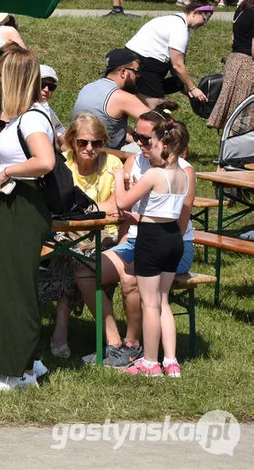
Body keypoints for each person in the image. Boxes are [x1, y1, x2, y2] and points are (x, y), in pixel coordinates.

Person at [73, 107, 195, 368]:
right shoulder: (136, 160)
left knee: (132, 277)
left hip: (170, 243)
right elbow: (123, 210)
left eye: (144, 139)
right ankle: (114, 341)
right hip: (140, 240)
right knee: (85, 271)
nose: (138, 144)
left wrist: (133, 213)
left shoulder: (182, 170)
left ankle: (135, 347)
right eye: (134, 137)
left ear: (162, 139)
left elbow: (179, 223)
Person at [0, 46, 53, 392]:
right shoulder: (25, 117)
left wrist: (7, 172)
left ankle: (17, 372)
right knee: (9, 284)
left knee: (15, 288)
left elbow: (45, 161)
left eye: (0, 77)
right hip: (10, 204)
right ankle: (29, 363)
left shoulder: (32, 118)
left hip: (22, 205)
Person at [111, 118, 189, 378]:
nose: (147, 148)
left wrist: (117, 177)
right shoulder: (183, 175)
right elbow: (163, 209)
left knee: (151, 303)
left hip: (152, 239)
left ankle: (149, 362)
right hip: (172, 239)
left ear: (164, 144)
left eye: (152, 143)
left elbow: (122, 202)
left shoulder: (155, 174)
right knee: (163, 300)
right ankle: (171, 361)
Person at [41, 112, 123, 359]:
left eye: (97, 143)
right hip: (65, 235)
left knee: (74, 259)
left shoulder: (112, 165)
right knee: (70, 255)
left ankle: (61, 331)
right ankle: (99, 337)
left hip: (105, 236)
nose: (90, 148)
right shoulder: (61, 164)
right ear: (72, 140)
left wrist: (84, 209)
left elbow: (118, 203)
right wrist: (94, 209)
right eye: (83, 142)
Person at [124, 0, 213, 108]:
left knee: (174, 85)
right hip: (142, 63)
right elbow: (177, 65)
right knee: (156, 111)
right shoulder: (179, 27)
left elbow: (174, 67)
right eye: (204, 19)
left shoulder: (178, 22)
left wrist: (186, 88)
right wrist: (193, 88)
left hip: (137, 60)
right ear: (195, 13)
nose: (204, 24)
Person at [70, 48, 151, 151]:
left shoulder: (87, 87)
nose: (138, 76)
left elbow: (110, 126)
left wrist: (136, 137)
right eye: (136, 71)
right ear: (123, 72)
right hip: (102, 158)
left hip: (77, 151)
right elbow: (158, 122)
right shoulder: (120, 96)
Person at [207, 0, 254, 135]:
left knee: (233, 110)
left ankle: (230, 146)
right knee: (245, 112)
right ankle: (238, 150)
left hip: (233, 61)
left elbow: (232, 39)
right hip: (248, 65)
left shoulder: (241, 9)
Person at [38, 64, 66, 138]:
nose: (46, 89)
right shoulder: (24, 109)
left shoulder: (46, 107)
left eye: (51, 87)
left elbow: (61, 133)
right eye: (42, 85)